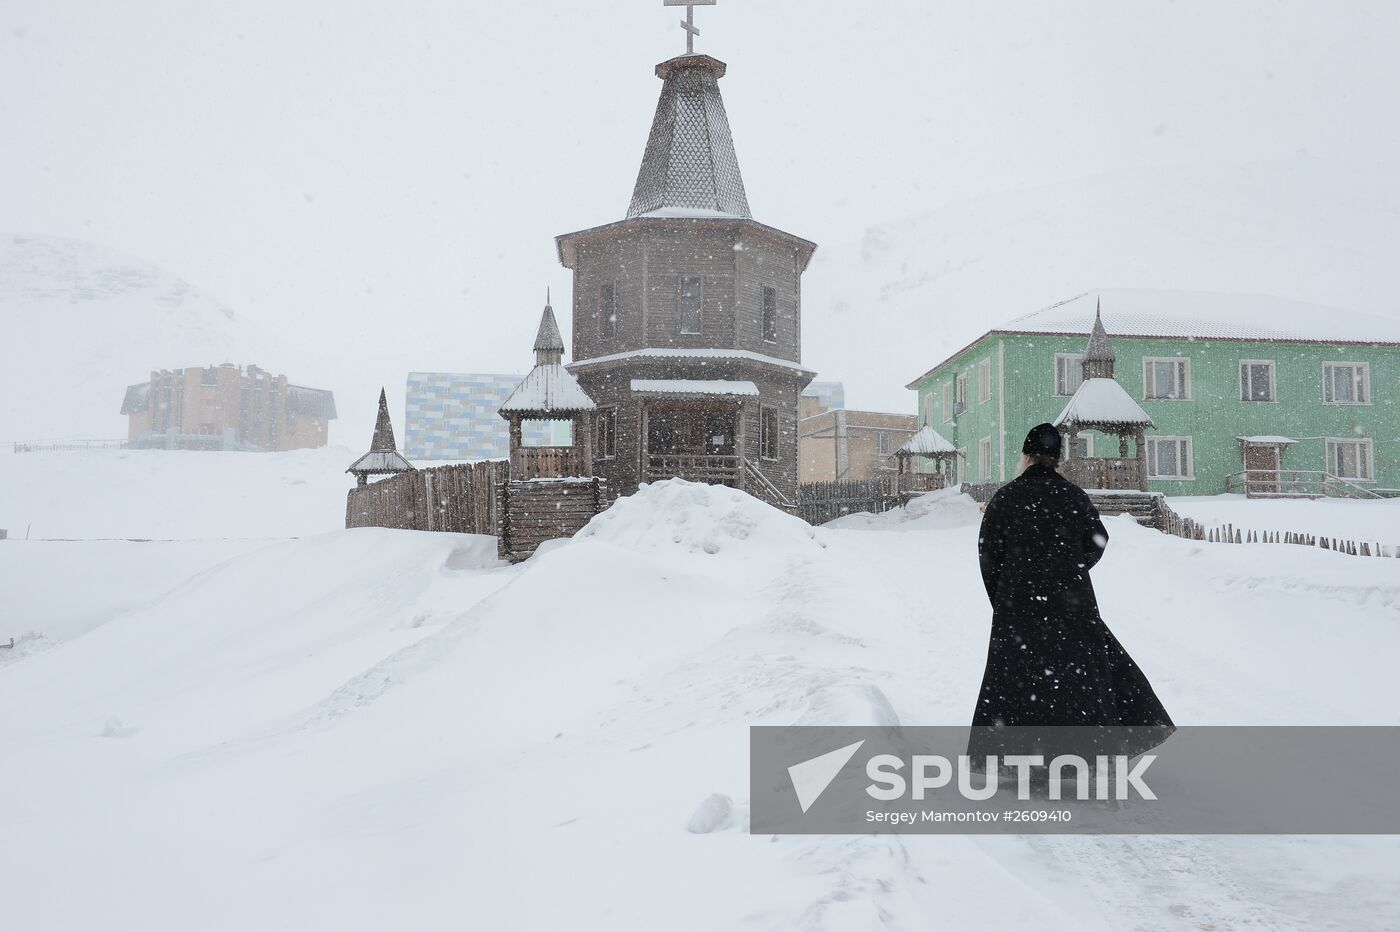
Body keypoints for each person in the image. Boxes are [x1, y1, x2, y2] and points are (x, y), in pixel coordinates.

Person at [969, 423, 1174, 766]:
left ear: (1026, 457)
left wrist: (1006, 596)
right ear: (1057, 460)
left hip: (1017, 607)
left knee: (1019, 681)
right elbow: (1098, 541)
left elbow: (988, 555)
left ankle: (1016, 757)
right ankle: (1082, 754)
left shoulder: (1005, 498)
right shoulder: (1073, 496)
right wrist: (1068, 573)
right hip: (1070, 604)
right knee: (1077, 679)